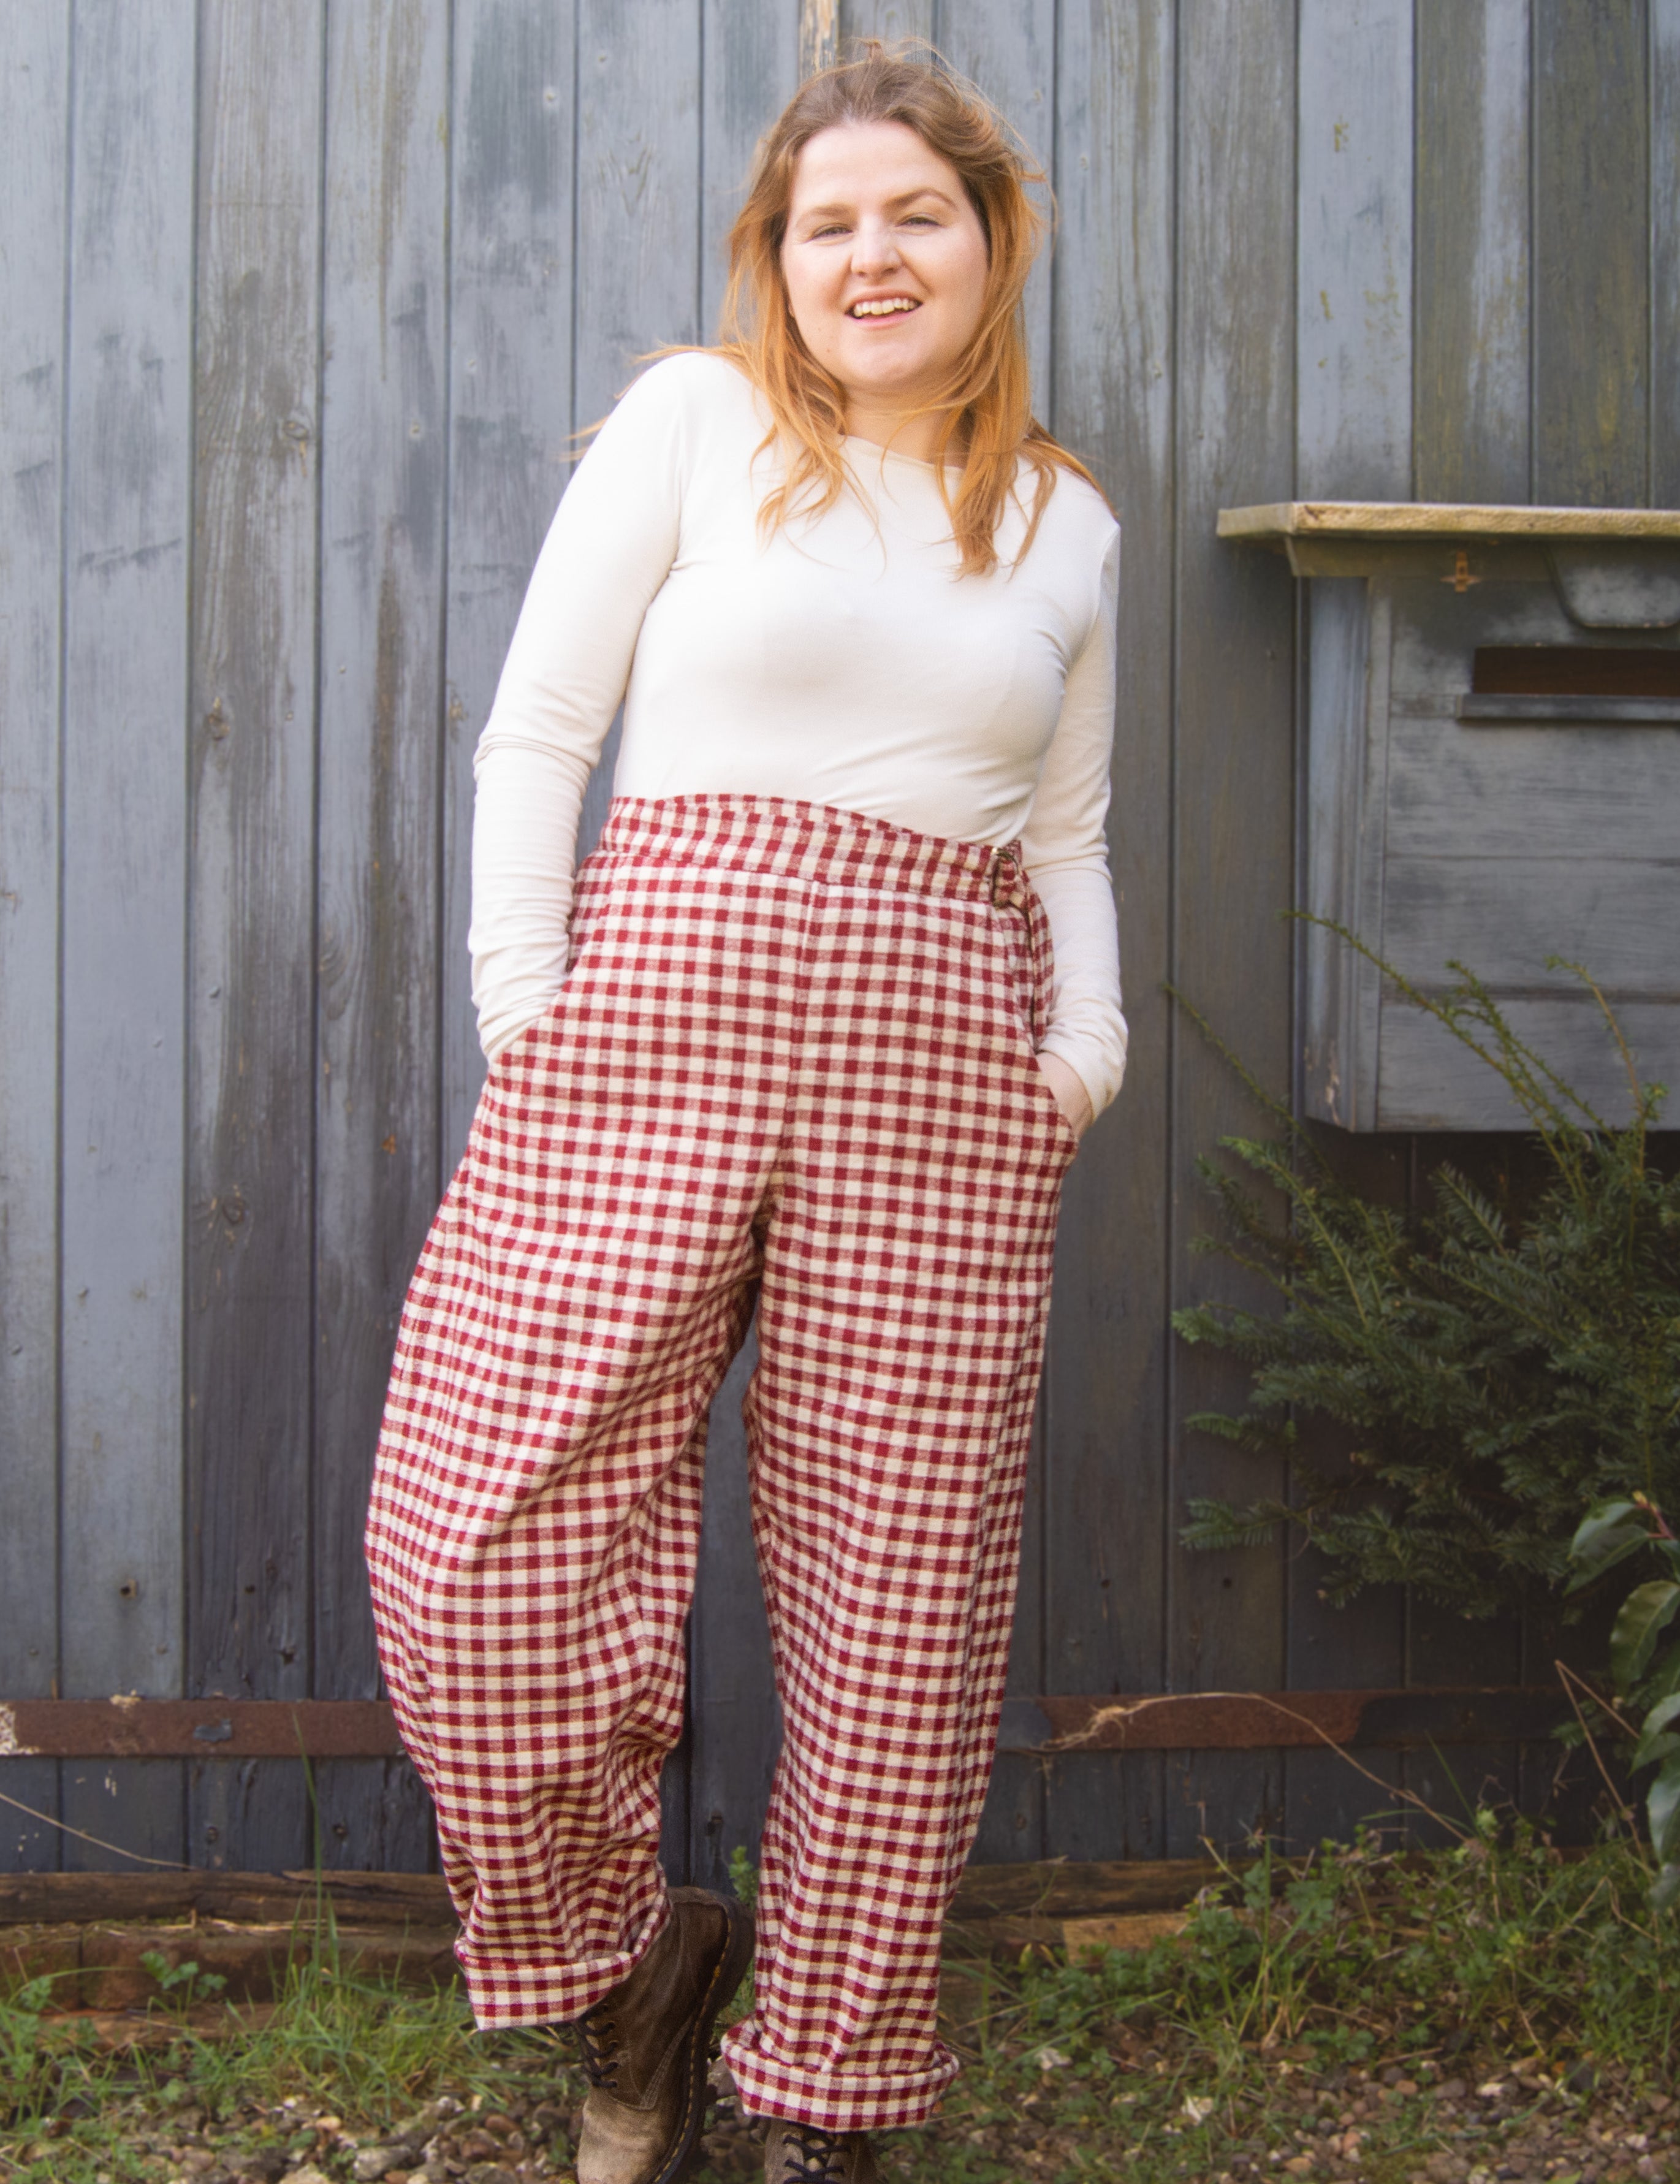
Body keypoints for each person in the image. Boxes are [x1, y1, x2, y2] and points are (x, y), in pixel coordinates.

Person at [365, 42, 1126, 2184]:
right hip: (650, 1041)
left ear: (993, 238)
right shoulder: (699, 426)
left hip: (946, 1077)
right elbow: (540, 731)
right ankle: (633, 1978)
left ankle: (831, 2097)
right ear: (775, 258)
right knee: (468, 1551)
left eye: (916, 215)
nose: (872, 256)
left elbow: (1067, 835)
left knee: (902, 1605)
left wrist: (1082, 1057)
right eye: (827, 223)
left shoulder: (1065, 519)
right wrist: (532, 1018)